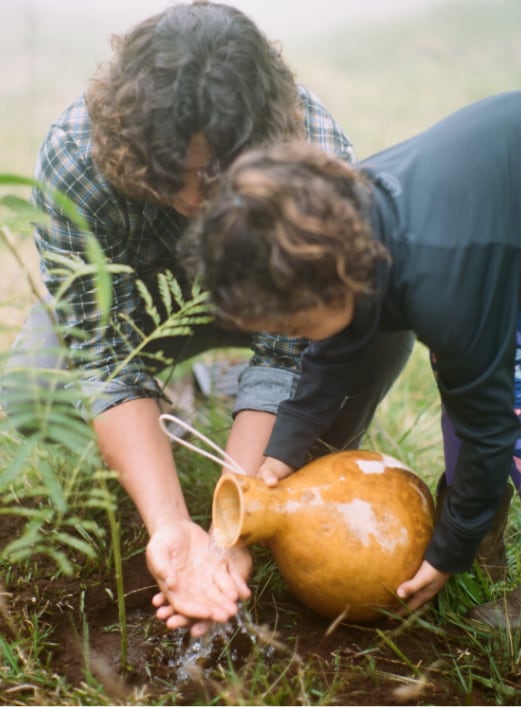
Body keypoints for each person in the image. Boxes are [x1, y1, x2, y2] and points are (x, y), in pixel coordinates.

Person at [2, 3, 414, 636]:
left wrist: (236, 519)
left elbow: (288, 353)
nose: (194, 199)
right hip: (148, 310)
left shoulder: (313, 155)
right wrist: (170, 524)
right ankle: (184, 398)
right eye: (171, 174)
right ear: (128, 140)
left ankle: (277, 464)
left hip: (271, 311)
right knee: (30, 382)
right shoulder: (75, 160)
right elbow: (104, 353)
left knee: (376, 324)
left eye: (217, 175)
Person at [183, 91, 521, 628]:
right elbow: (333, 347)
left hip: (486, 238)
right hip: (485, 222)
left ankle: (476, 548)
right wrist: (282, 452)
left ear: (332, 281)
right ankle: (479, 535)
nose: (289, 336)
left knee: (505, 408)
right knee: (463, 374)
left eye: (290, 324)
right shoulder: (345, 226)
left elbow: (489, 424)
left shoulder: (442, 287)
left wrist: (446, 551)